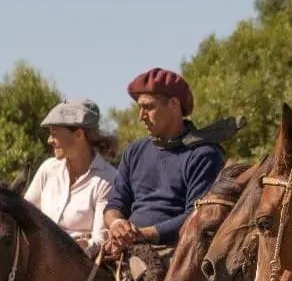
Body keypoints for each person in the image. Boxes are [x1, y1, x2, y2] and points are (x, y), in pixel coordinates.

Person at [103, 68, 226, 256]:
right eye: (139, 107)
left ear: (174, 105)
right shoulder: (134, 151)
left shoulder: (204, 154)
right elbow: (116, 204)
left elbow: (198, 216)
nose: (141, 115)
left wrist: (144, 234)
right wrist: (117, 224)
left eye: (149, 107)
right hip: (128, 246)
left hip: (176, 253)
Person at [24, 99, 118, 257]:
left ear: (79, 134)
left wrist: (80, 246)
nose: (49, 140)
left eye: (54, 133)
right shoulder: (48, 169)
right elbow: (24, 215)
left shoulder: (107, 179)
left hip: (78, 269)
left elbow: (99, 240)